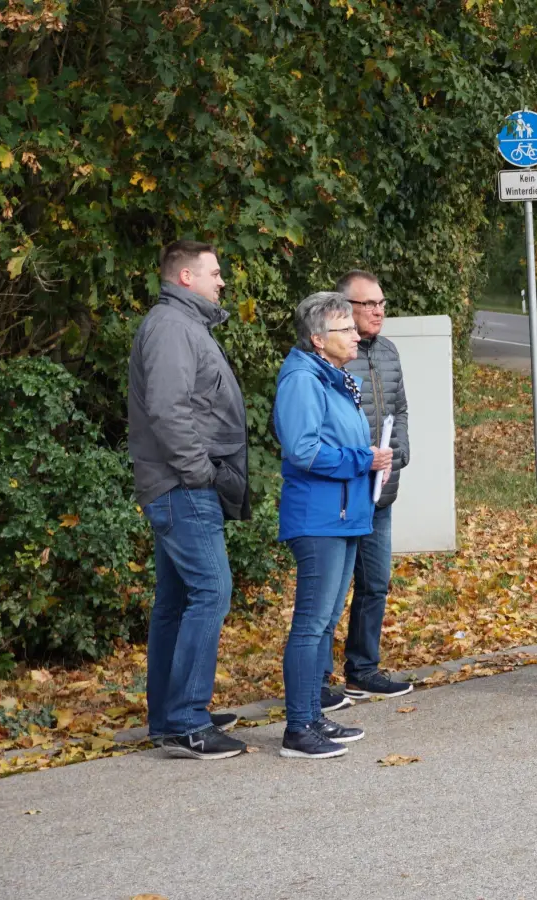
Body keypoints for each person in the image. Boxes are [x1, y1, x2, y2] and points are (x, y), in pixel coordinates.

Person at [129, 240, 251, 760]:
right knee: (212, 591)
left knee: (176, 602)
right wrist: (200, 473)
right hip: (183, 487)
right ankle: (187, 722)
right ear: (185, 277)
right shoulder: (172, 327)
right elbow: (167, 409)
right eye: (214, 273)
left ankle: (169, 717)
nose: (221, 281)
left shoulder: (184, 324)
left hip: (179, 484)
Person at [273, 292, 392, 759]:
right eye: (345, 329)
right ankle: (298, 728)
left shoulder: (331, 377)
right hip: (318, 517)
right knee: (310, 624)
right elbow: (302, 450)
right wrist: (363, 460)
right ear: (318, 339)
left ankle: (312, 715)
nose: (356, 335)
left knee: (323, 622)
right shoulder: (303, 379)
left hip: (342, 515)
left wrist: (371, 465)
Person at [330, 269, 413, 711]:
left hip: (381, 490)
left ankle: (362, 671)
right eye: (369, 304)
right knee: (330, 592)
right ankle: (317, 683)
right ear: (345, 308)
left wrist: (401, 453)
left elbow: (400, 408)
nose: (379, 311)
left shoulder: (388, 351)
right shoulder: (332, 355)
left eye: (382, 303)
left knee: (375, 584)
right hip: (343, 492)